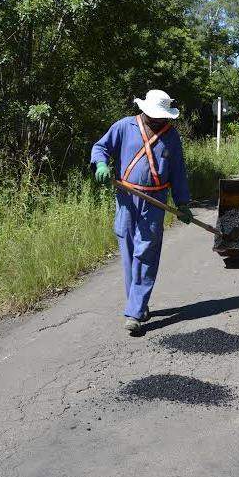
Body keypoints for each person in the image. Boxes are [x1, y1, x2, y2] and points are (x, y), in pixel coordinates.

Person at [91, 89, 192, 335]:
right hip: (126, 197)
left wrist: (182, 203)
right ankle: (138, 302)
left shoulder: (171, 136)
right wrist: (101, 164)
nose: (160, 120)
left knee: (145, 251)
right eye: (157, 116)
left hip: (155, 201)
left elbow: (177, 171)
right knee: (127, 250)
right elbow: (100, 147)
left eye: (163, 117)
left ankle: (134, 311)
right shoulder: (125, 127)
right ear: (145, 110)